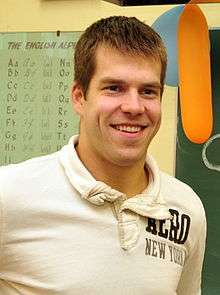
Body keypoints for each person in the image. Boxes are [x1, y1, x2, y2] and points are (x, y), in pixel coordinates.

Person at [0, 16, 206, 295]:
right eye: (114, 88)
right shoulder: (9, 195)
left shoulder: (186, 208)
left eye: (148, 91)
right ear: (79, 97)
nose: (134, 106)